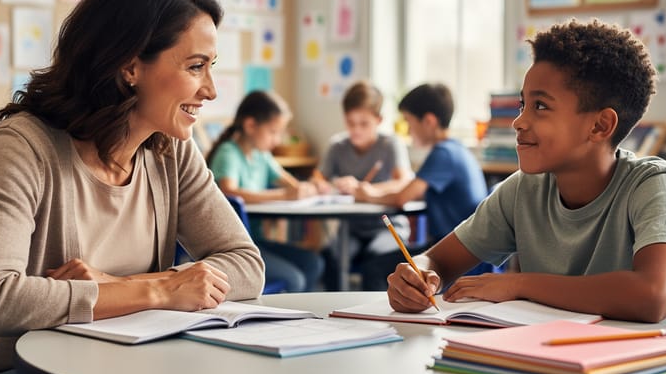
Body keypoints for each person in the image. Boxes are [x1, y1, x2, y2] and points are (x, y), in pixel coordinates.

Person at [0, 0, 265, 374]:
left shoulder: (171, 149)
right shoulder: (25, 144)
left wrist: (119, 285)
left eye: (211, 67)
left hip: (112, 365)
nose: (211, 90)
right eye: (195, 66)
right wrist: (160, 291)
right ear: (130, 66)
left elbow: (246, 265)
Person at [386, 19, 666, 323]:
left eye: (540, 106)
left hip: (662, 355)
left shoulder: (656, 185)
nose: (518, 121)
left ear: (600, 125)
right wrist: (418, 275)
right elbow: (439, 260)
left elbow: (652, 295)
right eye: (523, 105)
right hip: (561, 353)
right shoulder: (524, 189)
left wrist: (519, 284)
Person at [353, 82, 489, 288]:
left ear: (429, 121)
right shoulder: (456, 150)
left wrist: (368, 195)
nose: (408, 130)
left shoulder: (443, 153)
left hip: (457, 255)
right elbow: (413, 189)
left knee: (374, 267)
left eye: (409, 121)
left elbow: (403, 197)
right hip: (468, 252)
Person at [207, 90, 325, 292]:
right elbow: (229, 191)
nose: (277, 141)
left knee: (313, 263)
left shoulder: (262, 155)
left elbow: (291, 185)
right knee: (295, 279)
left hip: (256, 242)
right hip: (233, 247)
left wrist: (310, 187)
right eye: (273, 132)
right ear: (250, 125)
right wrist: (284, 195)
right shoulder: (228, 153)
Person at [310, 81, 414, 290]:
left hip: (388, 227)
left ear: (379, 120)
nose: (356, 130)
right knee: (331, 258)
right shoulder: (337, 146)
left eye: (364, 124)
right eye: (350, 123)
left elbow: (404, 182)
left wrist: (367, 190)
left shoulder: (390, 144)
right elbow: (318, 179)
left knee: (376, 260)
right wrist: (329, 184)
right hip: (351, 229)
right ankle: (337, 308)